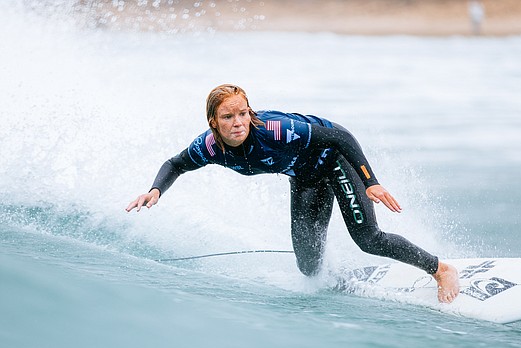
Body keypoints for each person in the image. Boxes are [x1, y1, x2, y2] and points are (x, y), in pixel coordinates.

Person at [126, 84, 460, 303]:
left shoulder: (275, 130)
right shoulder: (209, 147)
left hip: (334, 159)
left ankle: (440, 269)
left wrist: (369, 180)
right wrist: (155, 190)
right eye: (228, 117)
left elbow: (338, 139)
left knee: (368, 238)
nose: (238, 122)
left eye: (243, 113)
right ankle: (336, 280)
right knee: (308, 264)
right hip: (304, 176)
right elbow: (176, 163)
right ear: (214, 122)